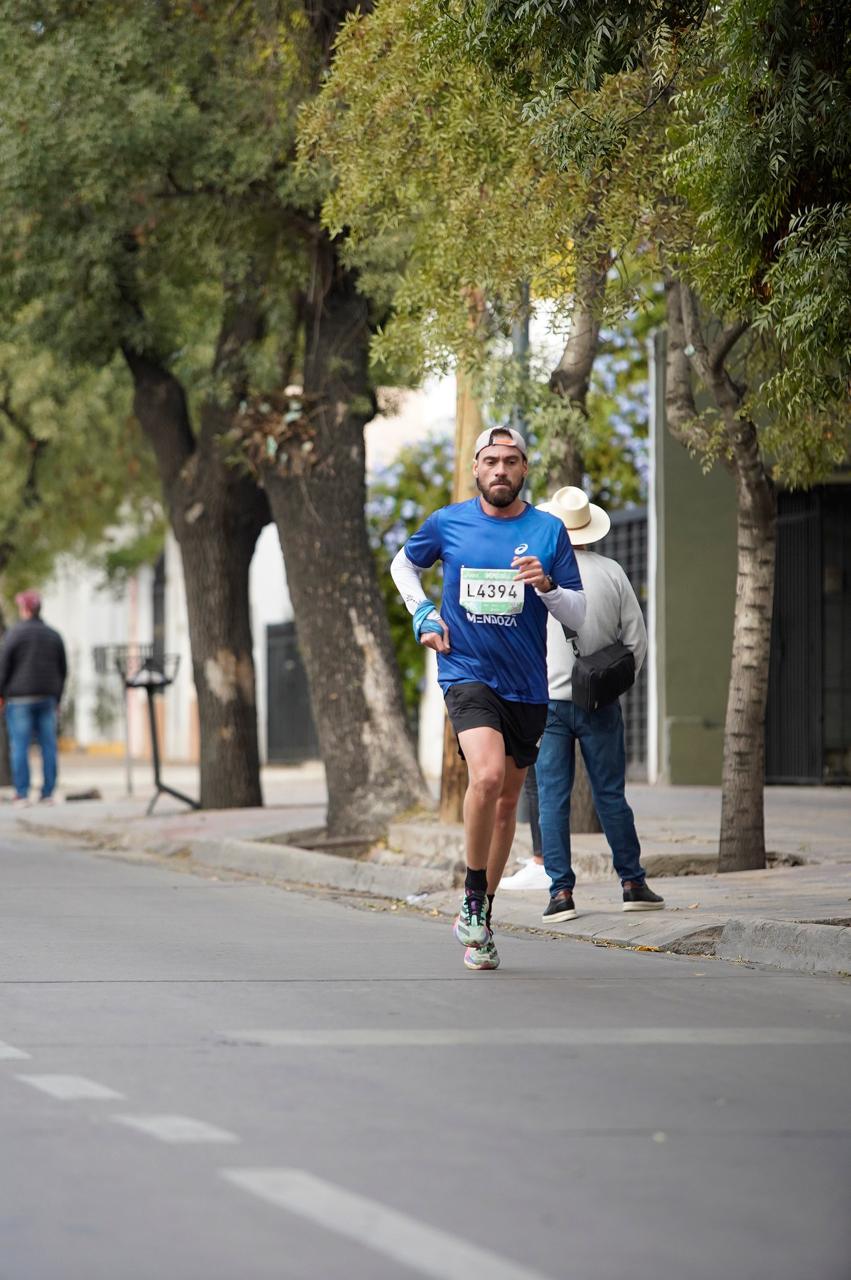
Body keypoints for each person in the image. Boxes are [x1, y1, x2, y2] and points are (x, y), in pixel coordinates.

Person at [390, 427, 586, 970]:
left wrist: (547, 586)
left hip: (527, 684)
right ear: (476, 468)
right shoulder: (448, 523)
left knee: (505, 806)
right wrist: (422, 613)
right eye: (491, 461)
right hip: (466, 671)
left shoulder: (548, 531)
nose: (501, 469)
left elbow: (578, 613)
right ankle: (472, 895)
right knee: (488, 777)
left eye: (511, 461)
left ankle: (482, 920)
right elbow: (403, 564)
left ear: (524, 469)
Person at [534, 486, 664, 921]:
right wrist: (613, 686)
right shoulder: (612, 572)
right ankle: (632, 883)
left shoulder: (538, 576)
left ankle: (560, 893)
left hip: (547, 705)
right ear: (589, 529)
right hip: (599, 702)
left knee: (553, 798)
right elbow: (636, 641)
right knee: (610, 794)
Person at [0, 589, 67, 807]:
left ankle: (22, 794)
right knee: (48, 746)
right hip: (47, 697)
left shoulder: (14, 634)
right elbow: (63, 669)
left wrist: (1, 694)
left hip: (19, 699)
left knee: (20, 746)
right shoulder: (53, 635)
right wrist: (57, 698)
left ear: (26, 609)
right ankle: (48, 794)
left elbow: (3, 667)